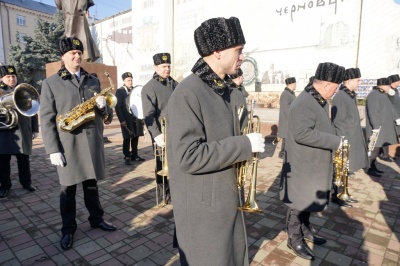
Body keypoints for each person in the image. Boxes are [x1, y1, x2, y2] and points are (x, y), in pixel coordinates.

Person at [166, 17, 265, 265]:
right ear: (217, 51)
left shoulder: (225, 89)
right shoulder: (188, 92)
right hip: (204, 210)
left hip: (224, 200)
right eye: (238, 50)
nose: (243, 57)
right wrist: (245, 146)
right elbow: (188, 157)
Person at [40, 37, 116, 251]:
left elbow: (106, 116)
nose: (77, 56)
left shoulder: (93, 80)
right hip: (68, 146)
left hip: (91, 143)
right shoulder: (51, 83)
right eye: (72, 53)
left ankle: (96, 218)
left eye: (79, 52)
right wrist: (53, 149)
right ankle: (68, 229)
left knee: (92, 186)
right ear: (63, 56)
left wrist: (104, 107)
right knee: (68, 191)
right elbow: (46, 119)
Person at [280, 62, 345, 260]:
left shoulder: (317, 99)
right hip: (303, 164)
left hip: (312, 162)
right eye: (335, 88)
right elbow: (301, 133)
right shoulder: (305, 102)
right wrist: (335, 141)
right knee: (298, 203)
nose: (335, 92)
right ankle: (294, 238)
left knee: (308, 200)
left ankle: (305, 230)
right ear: (326, 85)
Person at [141, 52, 178, 202]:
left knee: (176, 162)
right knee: (161, 164)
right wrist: (156, 135)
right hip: (161, 134)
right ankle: (165, 192)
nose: (167, 69)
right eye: (164, 66)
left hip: (177, 131)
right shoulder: (149, 87)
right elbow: (148, 114)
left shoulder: (175, 84)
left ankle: (176, 188)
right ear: (156, 67)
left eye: (168, 66)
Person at [331, 68, 369, 207]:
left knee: (345, 170)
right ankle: (337, 195)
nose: (359, 83)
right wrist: (344, 142)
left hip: (350, 139)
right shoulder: (341, 96)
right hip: (345, 141)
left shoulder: (349, 95)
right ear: (349, 80)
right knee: (340, 169)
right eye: (358, 80)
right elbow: (339, 122)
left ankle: (343, 193)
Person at [0, 65, 38, 198]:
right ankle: (4, 186)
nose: (11, 79)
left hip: (22, 131)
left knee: (24, 160)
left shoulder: (22, 89)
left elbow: (33, 110)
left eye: (13, 76)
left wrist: (35, 129)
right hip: (5, 133)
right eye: (8, 77)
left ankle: (26, 182)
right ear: (2, 78)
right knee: (3, 162)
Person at [365, 77, 399, 175]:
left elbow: (390, 107)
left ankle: (373, 166)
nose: (390, 88)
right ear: (383, 85)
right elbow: (373, 112)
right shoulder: (374, 95)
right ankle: (368, 168)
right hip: (377, 129)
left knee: (377, 149)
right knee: (373, 150)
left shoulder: (382, 94)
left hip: (382, 128)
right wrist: (376, 128)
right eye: (388, 86)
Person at [115, 72, 145, 165]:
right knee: (127, 137)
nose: (130, 82)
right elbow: (118, 107)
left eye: (131, 80)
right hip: (126, 118)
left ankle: (135, 155)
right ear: (124, 81)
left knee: (135, 136)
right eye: (128, 80)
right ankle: (127, 156)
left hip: (135, 118)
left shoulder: (135, 90)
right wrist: (121, 120)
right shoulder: (120, 91)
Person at [277, 77, 296, 158]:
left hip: (290, 120)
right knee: (286, 138)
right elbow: (286, 109)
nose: (296, 85)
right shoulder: (285, 94)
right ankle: (283, 154)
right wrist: (292, 118)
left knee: (288, 138)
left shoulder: (291, 93)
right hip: (286, 120)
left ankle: (286, 153)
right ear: (291, 84)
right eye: (295, 84)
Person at [229, 67, 249, 133]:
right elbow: (241, 114)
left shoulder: (230, 89)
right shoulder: (236, 92)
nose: (243, 78)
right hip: (239, 130)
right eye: (242, 76)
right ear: (239, 77)